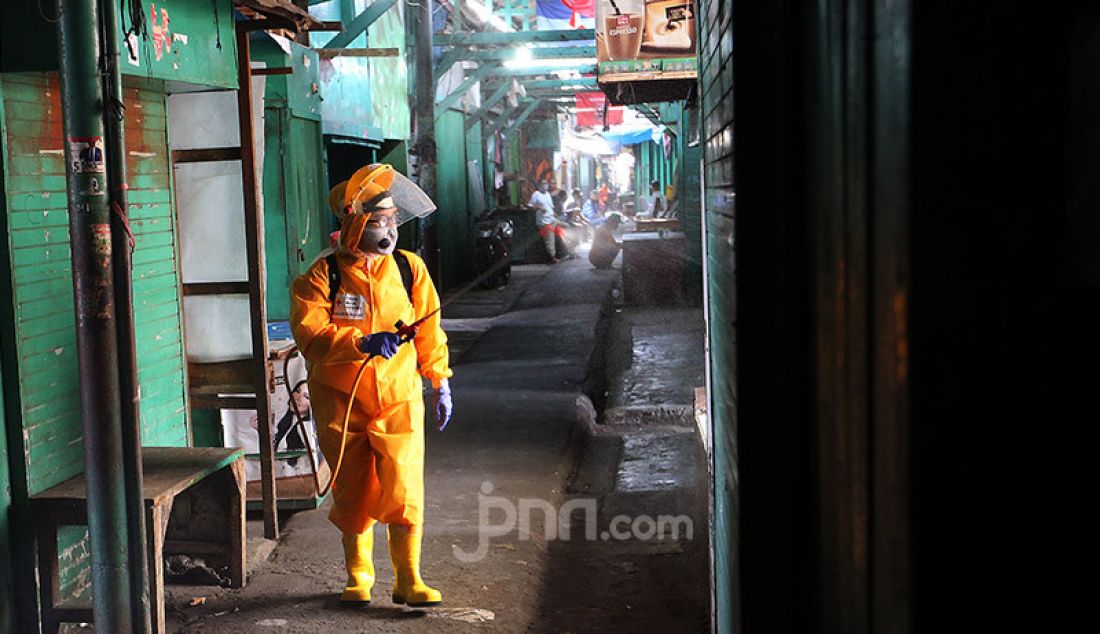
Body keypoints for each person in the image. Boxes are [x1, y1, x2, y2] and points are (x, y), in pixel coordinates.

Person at [290, 163, 453, 607]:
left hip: (399, 396)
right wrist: (360, 341)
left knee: (404, 487)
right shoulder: (323, 276)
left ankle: (409, 578)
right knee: (353, 488)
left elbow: (429, 327)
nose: (387, 232)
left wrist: (438, 378)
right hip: (342, 401)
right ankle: (358, 576)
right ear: (355, 224)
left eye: (391, 222)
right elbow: (310, 334)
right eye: (377, 223)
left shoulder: (408, 268)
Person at [529, 179, 567, 262]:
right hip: (544, 222)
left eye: (546, 183)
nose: (545, 185)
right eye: (543, 183)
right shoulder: (536, 194)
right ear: (539, 185)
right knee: (550, 239)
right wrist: (539, 207)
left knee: (566, 227)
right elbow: (531, 206)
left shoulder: (547, 195)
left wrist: (554, 214)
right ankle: (552, 257)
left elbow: (550, 207)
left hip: (552, 219)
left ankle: (566, 251)